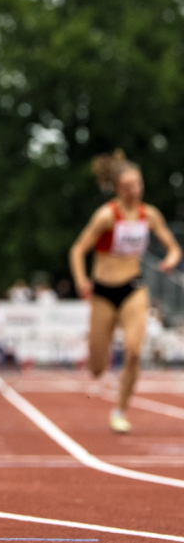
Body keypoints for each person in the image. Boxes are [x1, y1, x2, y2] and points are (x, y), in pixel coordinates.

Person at [69, 149, 181, 433]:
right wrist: (82, 280)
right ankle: (100, 359)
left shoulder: (149, 215)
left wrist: (170, 259)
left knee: (133, 352)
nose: (136, 190)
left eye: (139, 184)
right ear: (118, 187)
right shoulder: (106, 216)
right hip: (104, 291)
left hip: (133, 287)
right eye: (130, 186)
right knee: (96, 367)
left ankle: (120, 411)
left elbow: (173, 246)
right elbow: (78, 250)